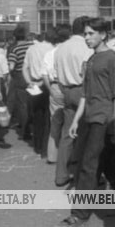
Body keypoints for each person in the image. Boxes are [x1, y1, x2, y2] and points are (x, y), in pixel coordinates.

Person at [58, 18, 115, 227]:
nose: (87, 38)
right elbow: (85, 93)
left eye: (91, 34)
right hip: (90, 118)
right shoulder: (91, 59)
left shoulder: (111, 59)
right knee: (110, 163)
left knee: (88, 166)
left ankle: (79, 214)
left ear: (103, 35)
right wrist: (76, 120)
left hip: (104, 119)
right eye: (85, 34)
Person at [54, 16, 92, 187]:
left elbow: (56, 71)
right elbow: (88, 72)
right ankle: (85, 174)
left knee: (67, 134)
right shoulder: (86, 46)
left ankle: (61, 174)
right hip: (82, 89)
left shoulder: (61, 47)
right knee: (90, 134)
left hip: (66, 89)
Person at [24, 29, 54, 157]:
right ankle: (45, 147)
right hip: (47, 83)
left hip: (34, 83)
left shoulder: (31, 48)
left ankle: (37, 145)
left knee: (36, 115)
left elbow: (24, 67)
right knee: (48, 116)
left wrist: (29, 82)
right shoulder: (52, 49)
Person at [44, 25, 70, 164]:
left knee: (55, 121)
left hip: (55, 85)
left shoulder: (50, 53)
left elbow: (45, 75)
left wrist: (52, 89)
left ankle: (52, 156)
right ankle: (68, 156)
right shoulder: (69, 51)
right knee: (70, 121)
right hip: (69, 86)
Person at [7, 26, 33, 143]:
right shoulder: (32, 47)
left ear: (14, 37)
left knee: (23, 105)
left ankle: (25, 131)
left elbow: (12, 66)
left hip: (20, 78)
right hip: (33, 76)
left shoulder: (15, 49)